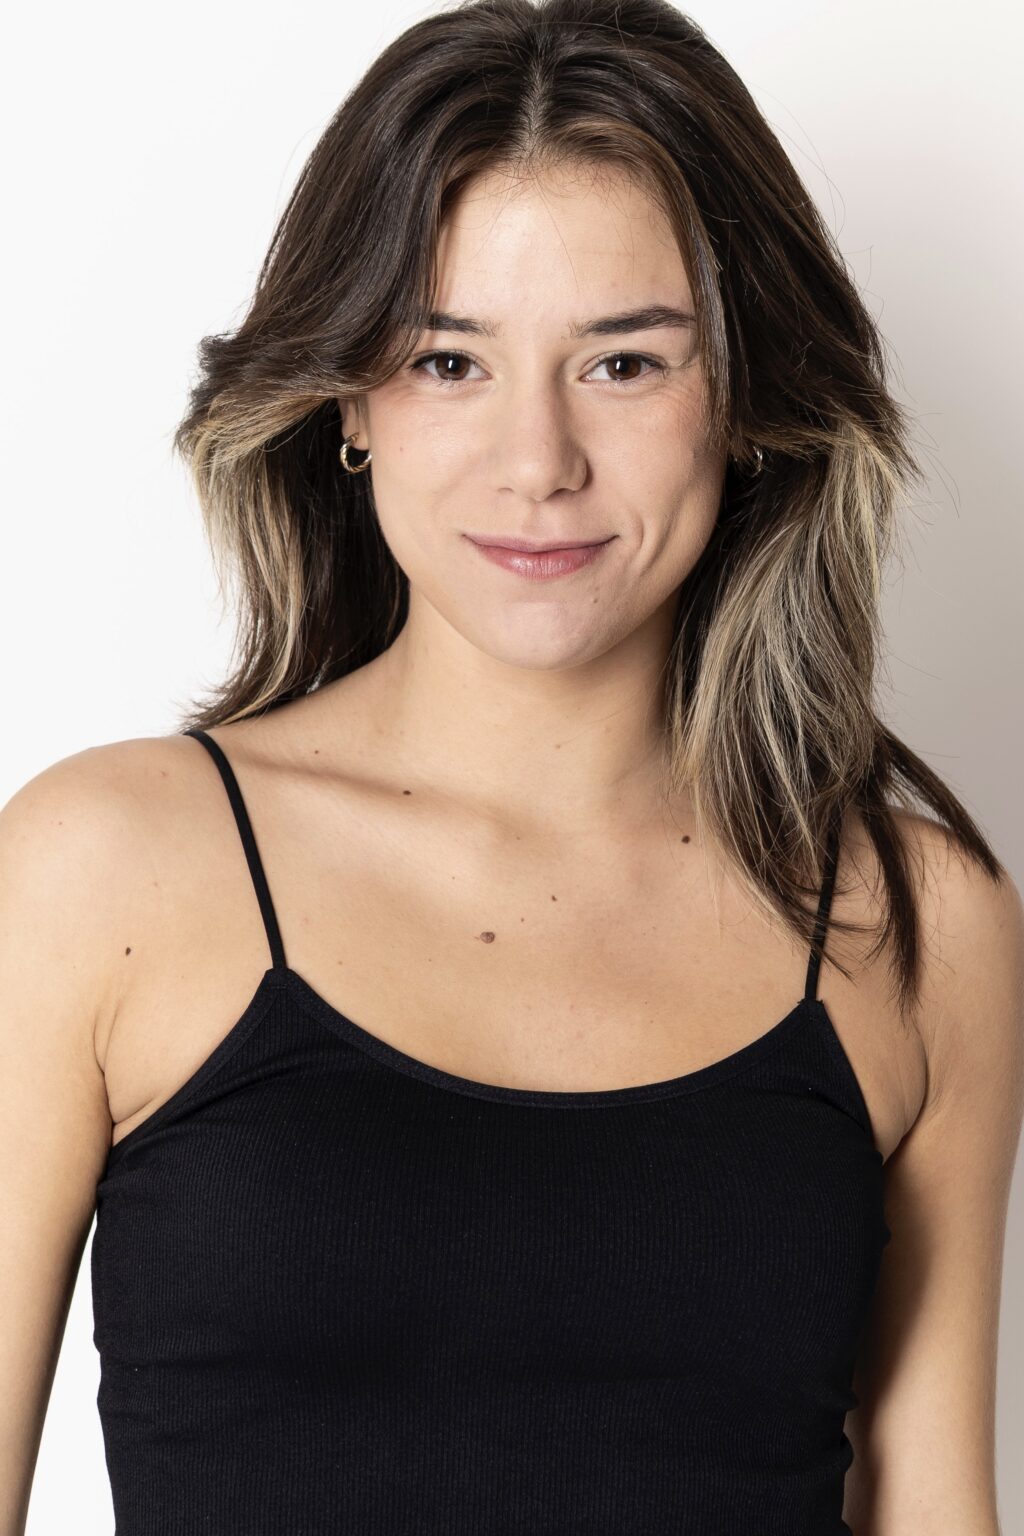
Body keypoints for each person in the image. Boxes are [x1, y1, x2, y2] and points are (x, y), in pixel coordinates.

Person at [2, 0, 1021, 1531]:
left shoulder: (915, 923)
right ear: (348, 403)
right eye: (447, 360)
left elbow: (934, 1507)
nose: (537, 461)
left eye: (623, 362)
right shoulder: (104, 872)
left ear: (744, 404)